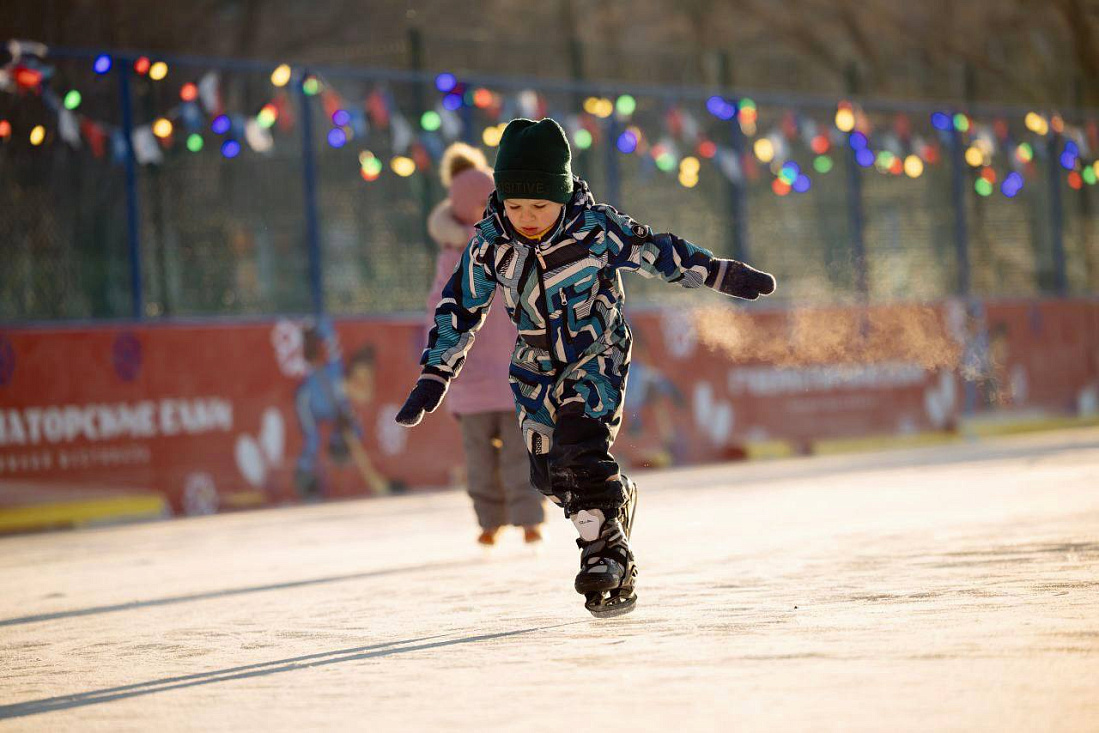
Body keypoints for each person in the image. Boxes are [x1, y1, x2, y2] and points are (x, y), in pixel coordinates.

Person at [396, 118, 775, 617]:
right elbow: (459, 307)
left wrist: (720, 272)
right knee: (551, 477)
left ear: (562, 195)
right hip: (533, 372)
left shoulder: (595, 230)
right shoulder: (490, 244)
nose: (527, 217)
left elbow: (658, 251)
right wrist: (435, 373)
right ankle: (609, 514)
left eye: (540, 205)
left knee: (579, 446)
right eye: (515, 206)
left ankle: (607, 552)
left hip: (595, 357)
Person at [426, 143, 545, 546]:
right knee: (496, 456)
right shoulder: (464, 256)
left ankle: (516, 519)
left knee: (505, 454)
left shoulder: (506, 249)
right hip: (488, 380)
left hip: (501, 378)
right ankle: (501, 520)